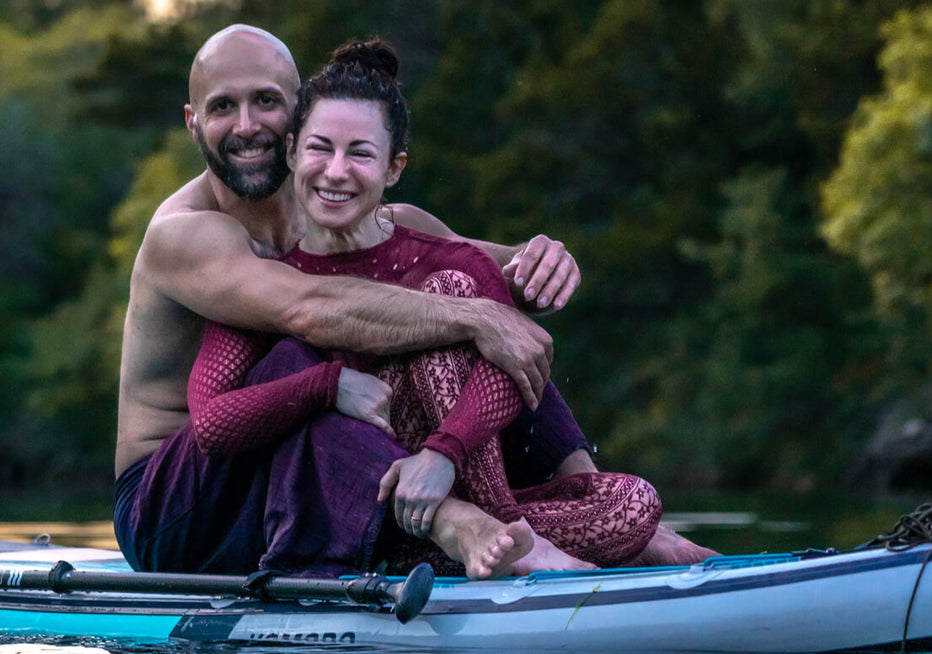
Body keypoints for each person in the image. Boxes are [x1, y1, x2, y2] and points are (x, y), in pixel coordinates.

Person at [182, 38, 717, 579]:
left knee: (633, 503)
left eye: (361, 154)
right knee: (449, 300)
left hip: (445, 487)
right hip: (368, 513)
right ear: (293, 152)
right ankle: (510, 542)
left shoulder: (436, 252)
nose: (336, 172)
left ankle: (506, 533)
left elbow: (521, 357)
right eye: (321, 149)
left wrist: (444, 454)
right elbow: (212, 424)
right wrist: (326, 384)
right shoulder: (270, 279)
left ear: (394, 168)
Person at [113, 25, 599, 578]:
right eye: (223, 106)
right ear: (193, 122)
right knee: (300, 362)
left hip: (296, 482)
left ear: (298, 112)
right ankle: (454, 523)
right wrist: (478, 316)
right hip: (174, 510)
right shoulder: (183, 235)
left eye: (266, 101)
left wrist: (541, 261)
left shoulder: (348, 212)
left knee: (482, 324)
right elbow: (309, 308)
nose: (246, 126)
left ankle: (590, 499)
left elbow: (495, 275)